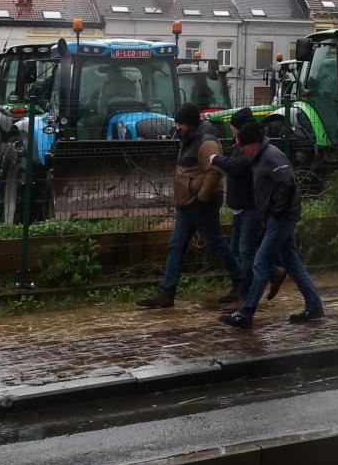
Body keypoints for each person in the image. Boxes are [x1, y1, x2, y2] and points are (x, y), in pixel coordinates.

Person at [136, 104, 242, 309]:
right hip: (187, 203)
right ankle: (166, 292)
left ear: (191, 124)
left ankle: (241, 283)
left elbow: (214, 172)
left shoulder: (206, 142)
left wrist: (201, 198)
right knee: (177, 245)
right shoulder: (190, 137)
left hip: (200, 202)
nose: (178, 127)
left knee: (216, 243)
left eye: (181, 123)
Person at [220, 123, 322, 327]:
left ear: (254, 143)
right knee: (291, 262)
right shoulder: (259, 156)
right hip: (276, 216)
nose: (240, 149)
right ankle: (314, 306)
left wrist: (275, 212)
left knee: (260, 262)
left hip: (282, 217)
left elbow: (287, 183)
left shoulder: (271, 156)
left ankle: (246, 313)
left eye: (242, 145)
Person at [209, 107, 258, 305]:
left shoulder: (249, 147)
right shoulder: (240, 145)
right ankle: (267, 275)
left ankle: (245, 291)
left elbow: (238, 167)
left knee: (245, 250)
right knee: (237, 249)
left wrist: (217, 160)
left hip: (249, 206)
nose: (232, 132)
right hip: (240, 206)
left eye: (233, 129)